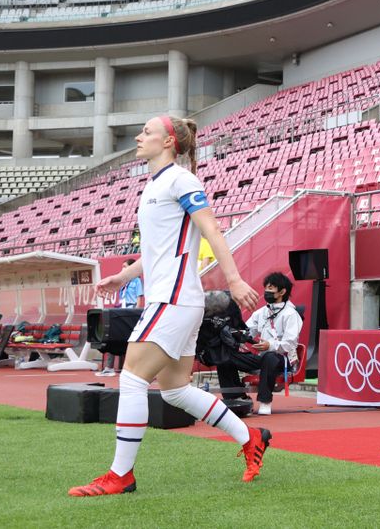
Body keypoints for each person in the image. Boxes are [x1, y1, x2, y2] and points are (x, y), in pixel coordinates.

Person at [69, 115, 267, 497]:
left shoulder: (181, 180)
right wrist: (124, 277)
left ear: (168, 143)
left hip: (173, 300)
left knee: (130, 379)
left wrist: (235, 279)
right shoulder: (155, 185)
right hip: (176, 301)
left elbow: (212, 229)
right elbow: (156, 250)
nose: (139, 137)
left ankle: (120, 476)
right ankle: (251, 437)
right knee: (175, 389)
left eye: (147, 132)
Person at [214, 272, 303, 416]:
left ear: (282, 292)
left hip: (282, 358)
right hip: (262, 357)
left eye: (271, 289)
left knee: (270, 357)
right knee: (223, 356)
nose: (267, 292)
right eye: (266, 288)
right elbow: (247, 331)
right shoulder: (261, 312)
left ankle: (265, 401)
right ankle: (237, 399)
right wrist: (235, 335)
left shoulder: (291, 314)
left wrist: (270, 345)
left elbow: (290, 343)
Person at [96, 259, 145, 377]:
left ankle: (129, 369)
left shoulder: (137, 281)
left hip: (131, 311)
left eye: (124, 266)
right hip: (121, 310)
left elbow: (139, 298)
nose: (122, 269)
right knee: (112, 336)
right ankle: (109, 368)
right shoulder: (123, 283)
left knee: (130, 342)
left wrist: (136, 313)